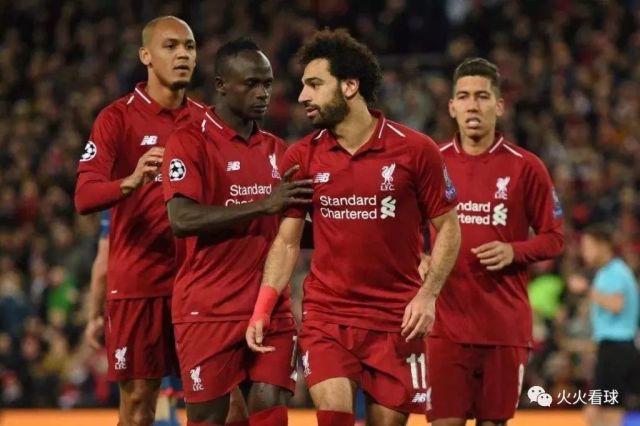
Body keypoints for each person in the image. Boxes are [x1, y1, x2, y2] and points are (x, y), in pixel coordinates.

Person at [245, 29, 461, 426]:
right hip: (328, 315)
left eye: (314, 84)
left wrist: (429, 295)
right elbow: (287, 242)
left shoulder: (416, 150)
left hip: (396, 318)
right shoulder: (301, 157)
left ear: (349, 86)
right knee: (334, 418)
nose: (302, 96)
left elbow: (448, 227)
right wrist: (263, 308)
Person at [162, 38, 313, 426]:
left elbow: (293, 228)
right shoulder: (189, 141)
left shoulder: (279, 150)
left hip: (270, 307)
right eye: (251, 84)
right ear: (221, 85)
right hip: (208, 308)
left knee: (269, 410)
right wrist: (263, 205)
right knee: (208, 419)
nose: (263, 93)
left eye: (268, 83)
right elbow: (182, 219)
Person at [75, 16, 207, 426]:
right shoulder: (117, 118)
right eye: (171, 46)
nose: (183, 54)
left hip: (199, 284)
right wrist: (129, 182)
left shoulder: (207, 121)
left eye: (189, 46)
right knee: (137, 404)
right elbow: (84, 196)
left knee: (217, 402)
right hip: (139, 283)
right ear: (145, 56)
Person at [426, 57, 565, 426]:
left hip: (503, 328)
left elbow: (555, 238)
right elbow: (400, 227)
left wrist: (513, 251)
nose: (473, 105)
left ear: (499, 106)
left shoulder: (526, 167)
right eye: (464, 97)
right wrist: (418, 259)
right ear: (452, 106)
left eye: (482, 96)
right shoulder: (431, 162)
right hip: (443, 328)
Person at [579, 225, 640, 426]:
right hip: (612, 347)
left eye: (588, 246)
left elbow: (616, 304)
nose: (584, 252)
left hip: (617, 347)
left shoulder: (615, 271)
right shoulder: (607, 272)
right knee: (594, 412)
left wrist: (587, 290)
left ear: (603, 246)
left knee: (609, 411)